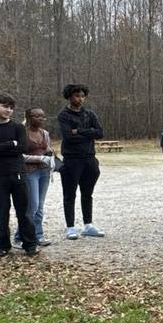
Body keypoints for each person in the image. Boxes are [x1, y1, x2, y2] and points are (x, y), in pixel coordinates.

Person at [0, 93, 38, 258]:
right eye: (5, 106)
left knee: (24, 212)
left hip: (18, 174)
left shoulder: (17, 127)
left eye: (11, 107)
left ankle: (30, 244)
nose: (8, 110)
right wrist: (10, 144)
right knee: (1, 213)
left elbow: (23, 148)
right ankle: (3, 246)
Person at [57, 83, 105, 239]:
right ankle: (70, 227)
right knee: (69, 194)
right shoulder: (64, 115)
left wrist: (80, 131)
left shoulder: (89, 114)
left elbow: (99, 133)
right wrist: (88, 133)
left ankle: (88, 225)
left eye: (83, 96)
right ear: (70, 97)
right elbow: (68, 137)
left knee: (87, 193)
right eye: (77, 95)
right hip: (72, 159)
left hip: (89, 158)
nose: (80, 99)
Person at [15, 107, 55, 247]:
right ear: (29, 117)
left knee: (40, 207)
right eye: (37, 116)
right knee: (32, 205)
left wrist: (50, 155)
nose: (40, 119)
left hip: (44, 172)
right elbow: (19, 156)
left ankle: (38, 235)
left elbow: (48, 149)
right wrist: (39, 158)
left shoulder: (45, 133)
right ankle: (20, 236)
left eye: (42, 116)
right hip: (30, 172)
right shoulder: (22, 133)